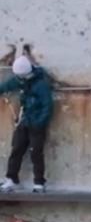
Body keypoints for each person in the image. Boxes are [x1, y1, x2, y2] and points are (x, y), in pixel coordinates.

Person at [0, 54, 54, 192]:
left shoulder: (41, 85)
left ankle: (39, 182)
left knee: (36, 152)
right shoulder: (21, 80)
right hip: (24, 120)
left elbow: (47, 105)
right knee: (17, 148)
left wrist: (40, 122)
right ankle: (11, 178)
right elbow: (9, 85)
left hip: (36, 123)